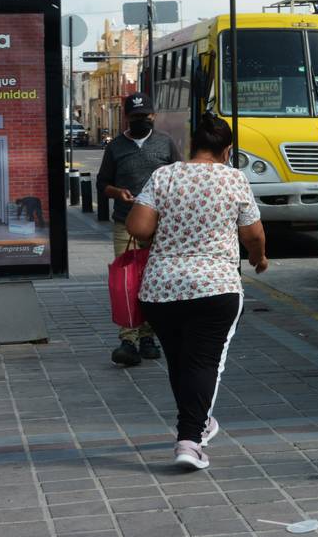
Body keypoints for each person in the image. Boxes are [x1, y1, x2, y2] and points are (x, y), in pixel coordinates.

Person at [126, 113, 268, 470]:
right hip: (215, 287)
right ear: (227, 150)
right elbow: (252, 234)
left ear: (193, 146)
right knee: (204, 363)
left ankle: (197, 424)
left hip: (162, 289)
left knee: (180, 363)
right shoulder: (234, 179)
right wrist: (259, 258)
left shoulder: (164, 175)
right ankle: (190, 441)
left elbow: (139, 228)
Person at [96, 92, 181, 366]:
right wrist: (117, 192)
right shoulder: (116, 147)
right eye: (135, 117)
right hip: (126, 224)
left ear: (153, 116)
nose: (141, 120)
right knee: (127, 281)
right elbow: (102, 183)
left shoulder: (165, 143)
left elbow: (179, 179)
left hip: (159, 226)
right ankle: (128, 340)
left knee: (152, 280)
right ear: (126, 118)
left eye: (145, 116)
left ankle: (148, 337)